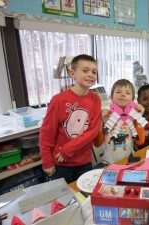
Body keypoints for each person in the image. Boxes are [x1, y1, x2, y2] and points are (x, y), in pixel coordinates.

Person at [40, 54, 101, 184]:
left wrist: (68, 149)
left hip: (84, 162)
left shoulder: (95, 99)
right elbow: (46, 133)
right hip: (61, 163)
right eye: (85, 71)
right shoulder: (58, 100)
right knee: (64, 200)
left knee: (85, 197)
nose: (91, 74)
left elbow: (93, 131)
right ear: (72, 73)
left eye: (94, 72)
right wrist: (47, 162)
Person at [95, 79, 146, 165]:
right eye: (118, 92)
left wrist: (139, 117)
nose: (123, 94)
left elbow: (140, 142)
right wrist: (100, 120)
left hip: (128, 161)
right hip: (108, 162)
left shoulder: (133, 116)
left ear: (133, 99)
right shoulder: (105, 115)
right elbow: (97, 143)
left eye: (127, 93)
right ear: (111, 98)